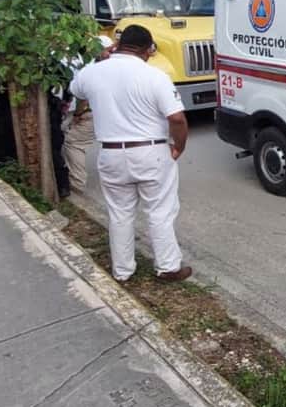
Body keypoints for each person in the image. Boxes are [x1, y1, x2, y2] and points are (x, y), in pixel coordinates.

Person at [70, 25, 191, 282]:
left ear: (118, 46)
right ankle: (168, 267)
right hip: (152, 151)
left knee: (120, 213)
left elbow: (76, 90)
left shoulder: (92, 73)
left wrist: (100, 57)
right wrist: (178, 146)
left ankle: (123, 271)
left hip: (111, 153)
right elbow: (177, 119)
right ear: (147, 50)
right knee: (160, 211)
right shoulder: (154, 76)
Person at [62, 36, 111, 195]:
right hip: (109, 113)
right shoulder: (117, 68)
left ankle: (77, 183)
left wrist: (78, 114)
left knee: (74, 142)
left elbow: (82, 96)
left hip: (91, 113)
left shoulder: (89, 69)